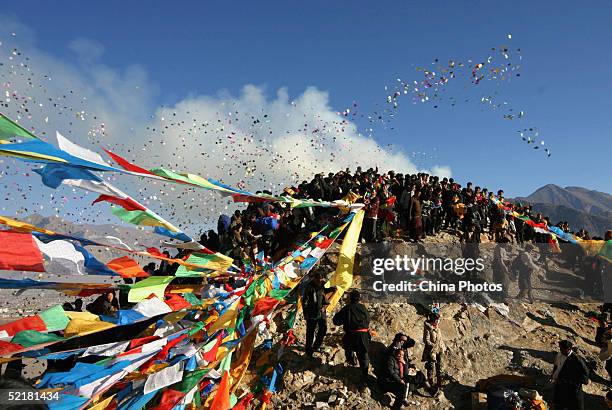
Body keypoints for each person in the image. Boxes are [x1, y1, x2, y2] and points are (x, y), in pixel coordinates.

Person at [332, 290, 371, 379]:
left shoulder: (347, 308)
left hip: (351, 334)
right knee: (363, 354)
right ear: (359, 298)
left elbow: (336, 321)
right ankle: (365, 374)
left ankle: (352, 364)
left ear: (350, 298)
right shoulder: (363, 308)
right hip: (363, 334)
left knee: (348, 350)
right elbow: (368, 319)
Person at [302, 272, 336, 357]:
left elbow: (324, 290)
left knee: (323, 329)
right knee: (310, 332)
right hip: (311, 313)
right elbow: (304, 301)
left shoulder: (321, 285)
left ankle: (316, 346)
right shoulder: (309, 287)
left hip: (321, 312)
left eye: (321, 280)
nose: (320, 282)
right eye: (318, 280)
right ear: (314, 279)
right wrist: (305, 313)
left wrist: (332, 289)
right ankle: (308, 349)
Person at [551, 340, 589, 410]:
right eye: (560, 348)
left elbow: (585, 374)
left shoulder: (576, 360)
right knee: (559, 403)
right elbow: (556, 366)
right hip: (560, 384)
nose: (560, 350)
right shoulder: (559, 355)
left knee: (574, 405)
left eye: (562, 349)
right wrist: (553, 376)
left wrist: (573, 382)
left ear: (568, 349)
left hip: (572, 387)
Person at [422, 311, 444, 393]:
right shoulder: (428, 328)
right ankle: (431, 384)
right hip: (431, 351)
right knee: (431, 367)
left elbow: (439, 338)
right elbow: (426, 340)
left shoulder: (437, 326)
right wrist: (434, 345)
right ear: (433, 320)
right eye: (436, 320)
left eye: (438, 320)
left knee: (439, 366)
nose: (437, 321)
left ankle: (439, 383)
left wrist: (441, 346)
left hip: (439, 349)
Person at [382, 344, 409, 409]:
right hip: (388, 381)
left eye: (402, 355)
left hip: (396, 381)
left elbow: (406, 373)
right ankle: (396, 407)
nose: (400, 356)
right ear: (395, 353)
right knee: (401, 387)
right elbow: (390, 371)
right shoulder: (391, 359)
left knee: (406, 383)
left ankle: (400, 403)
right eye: (399, 354)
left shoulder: (401, 362)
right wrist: (399, 380)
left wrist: (404, 364)